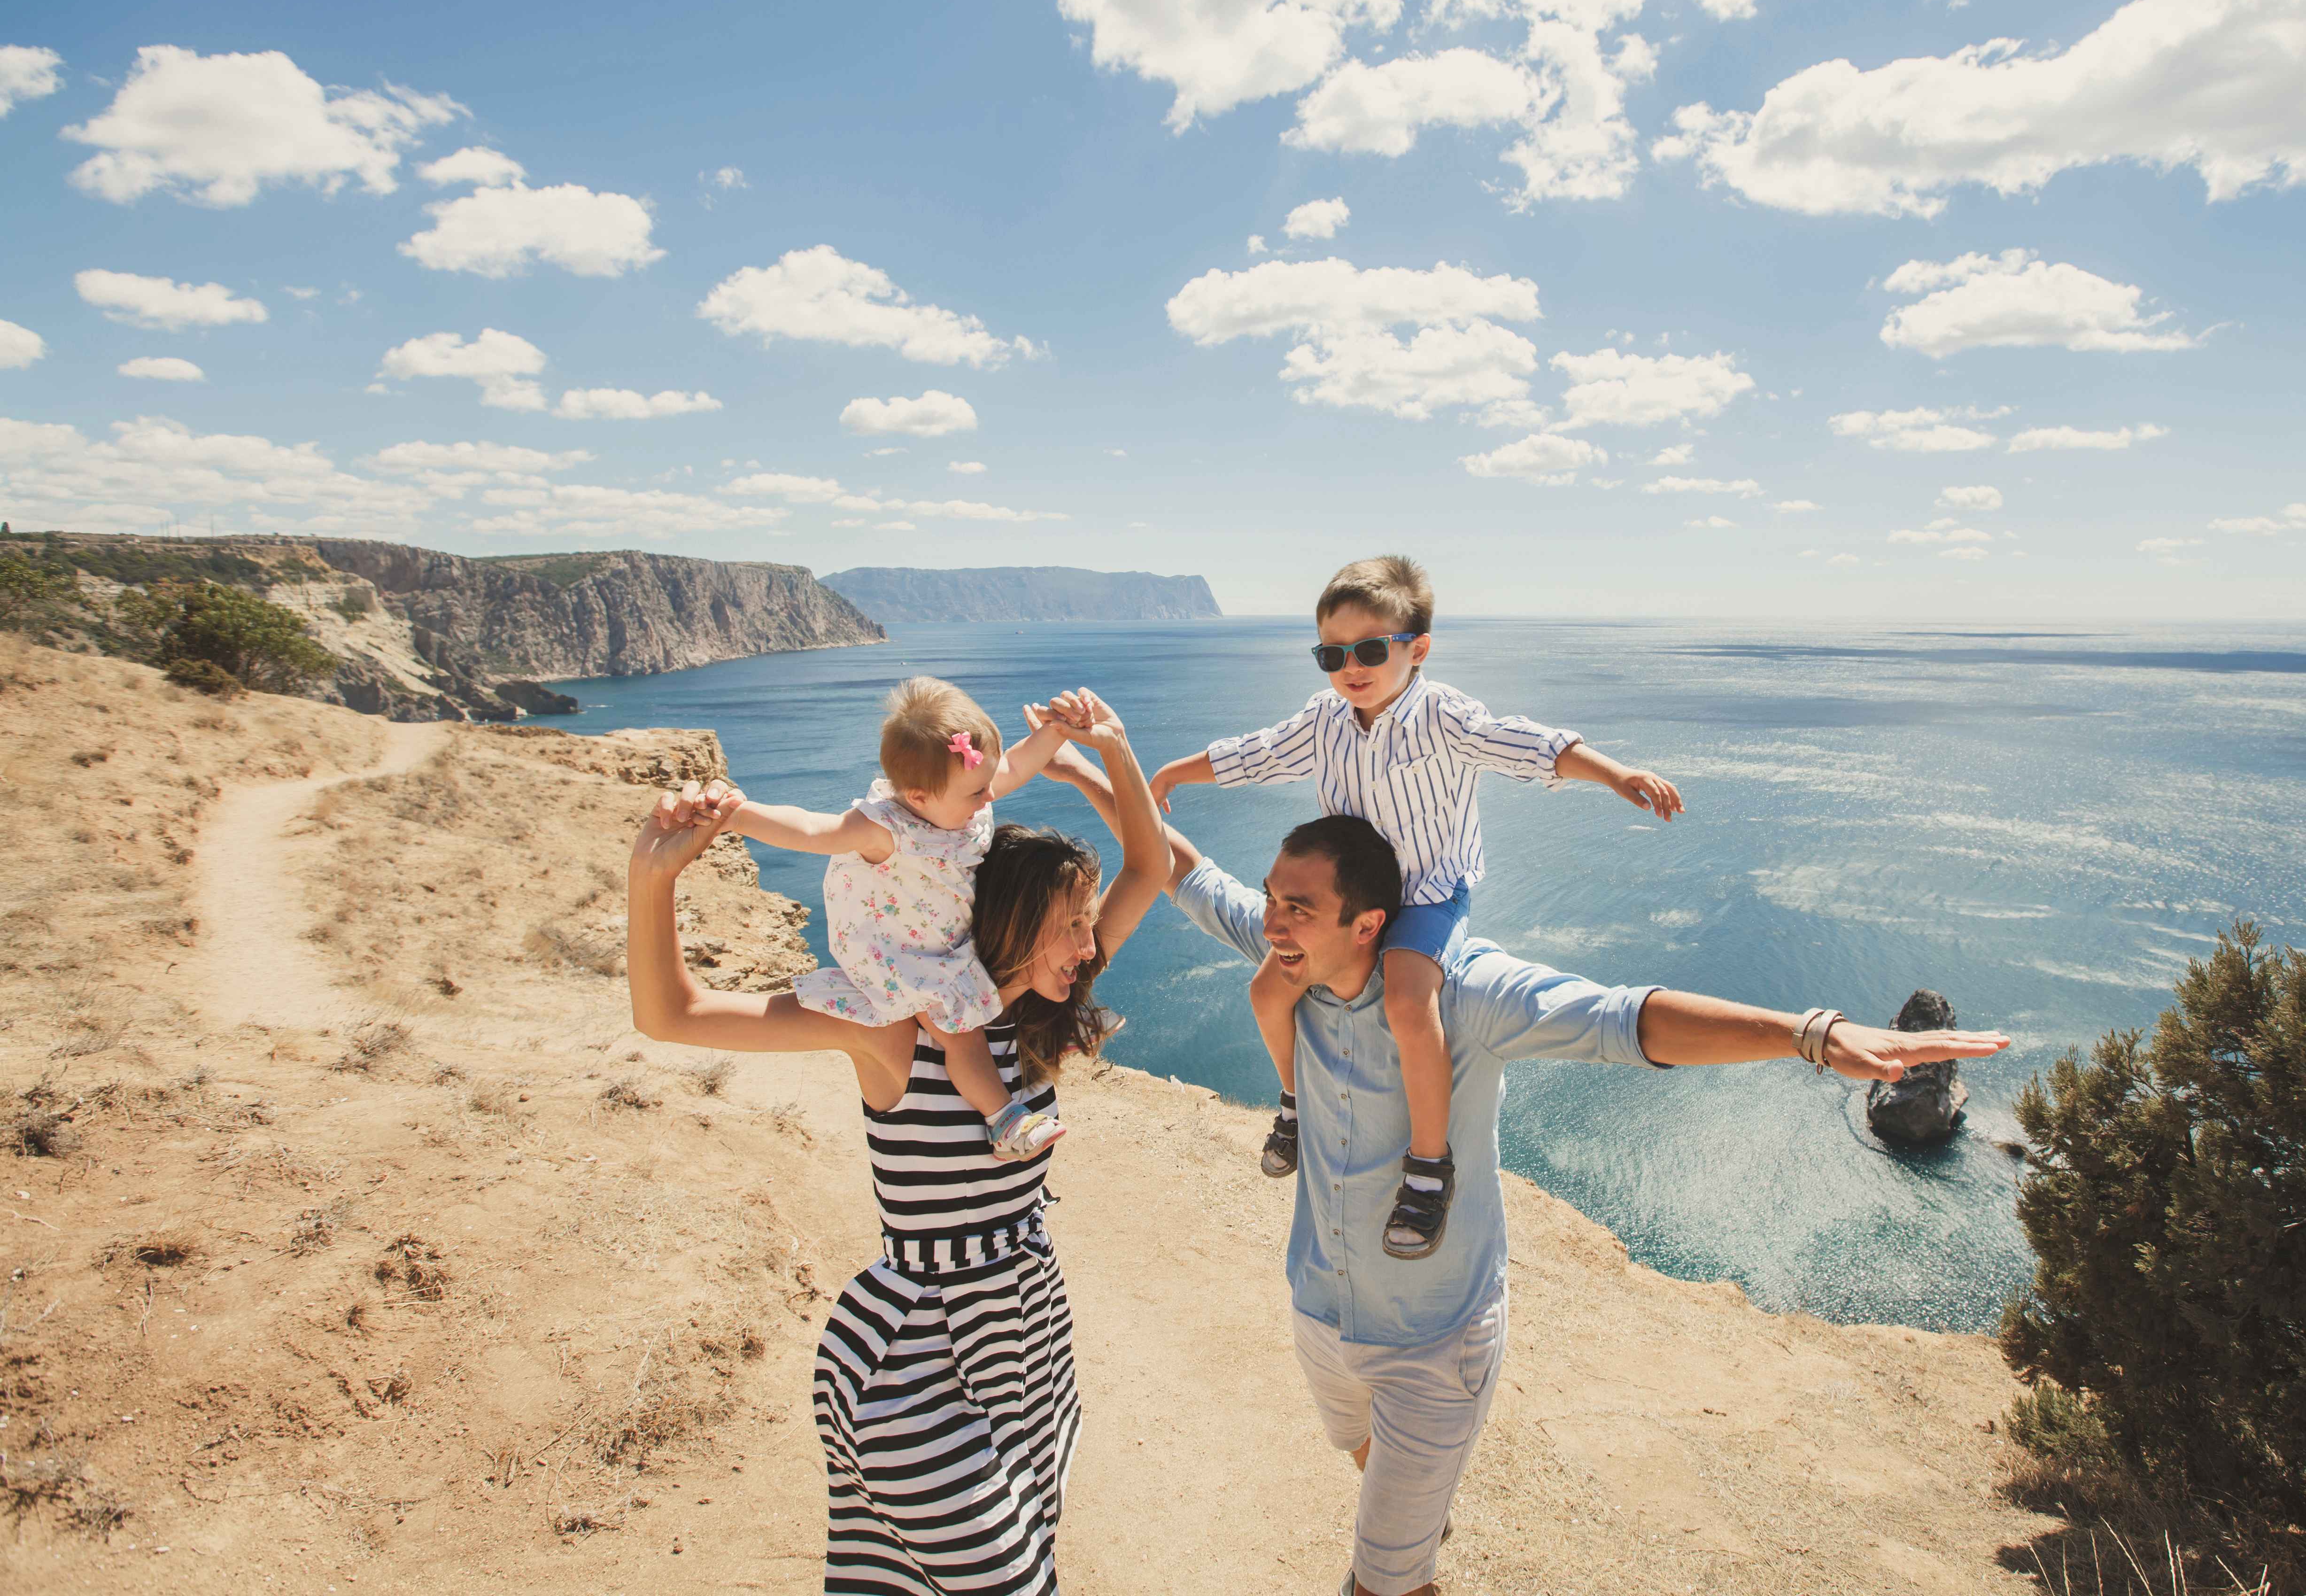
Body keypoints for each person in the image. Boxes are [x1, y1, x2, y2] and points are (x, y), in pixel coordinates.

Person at [1041, 746, 2007, 1596]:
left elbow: (1630, 1019)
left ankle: (1405, 1547)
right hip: (1320, 1312)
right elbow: (1180, 869)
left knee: (1385, 1579)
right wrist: (1092, 771)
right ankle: (1414, 1514)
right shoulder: (1293, 955)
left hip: (1432, 1342)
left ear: (1369, 922)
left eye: (1298, 906)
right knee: (1362, 1455)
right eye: (1274, 898)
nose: (1273, 920)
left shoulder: (1465, 993)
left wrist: (1810, 1033)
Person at [627, 690, 1169, 1595]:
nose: (1089, 942)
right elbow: (669, 1013)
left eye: (1088, 921)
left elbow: (1149, 865)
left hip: (1024, 1331)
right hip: (918, 1353)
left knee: (1017, 1549)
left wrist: (1112, 747)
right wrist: (654, 880)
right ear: (1007, 920)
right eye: (1070, 923)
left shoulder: (1035, 1011)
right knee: (999, 1575)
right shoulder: (894, 1028)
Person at [1146, 554, 1682, 1261]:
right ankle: (1295, 1103)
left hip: (1429, 893)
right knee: (1267, 992)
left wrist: (1614, 773)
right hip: (1356, 900)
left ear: (1417, 648)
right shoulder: (1325, 720)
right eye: (1331, 654)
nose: (1350, 666)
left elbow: (1526, 743)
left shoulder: (1445, 717)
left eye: (1371, 649)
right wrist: (1171, 773)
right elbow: (1257, 754)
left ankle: (1429, 1166)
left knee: (1406, 1003)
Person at [712, 674, 1082, 1160]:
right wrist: (739, 814)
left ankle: (1052, 1046)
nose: (991, 798)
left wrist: (1057, 732)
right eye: (977, 792)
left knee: (994, 991)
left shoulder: (963, 803)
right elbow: (811, 829)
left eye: (987, 786)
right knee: (961, 1036)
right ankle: (1006, 1121)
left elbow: (1012, 765)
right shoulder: (884, 829)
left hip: (943, 942)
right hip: (905, 956)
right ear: (919, 797)